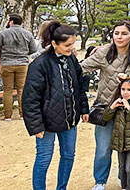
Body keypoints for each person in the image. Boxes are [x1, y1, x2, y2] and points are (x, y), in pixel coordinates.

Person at [22, 21, 89, 190]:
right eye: (67, 45)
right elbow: (30, 98)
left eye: (73, 44)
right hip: (46, 122)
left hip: (69, 118)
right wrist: (35, 125)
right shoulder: (39, 64)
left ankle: (62, 188)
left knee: (68, 156)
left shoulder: (71, 58)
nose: (71, 48)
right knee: (44, 158)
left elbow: (80, 85)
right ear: (54, 43)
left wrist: (84, 108)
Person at [81, 20, 130, 190]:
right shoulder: (103, 52)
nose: (119, 36)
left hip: (127, 110)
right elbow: (82, 68)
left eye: (124, 33)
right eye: (116, 33)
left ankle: (122, 178)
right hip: (106, 107)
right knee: (103, 149)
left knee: (124, 146)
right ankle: (100, 181)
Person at [103, 74, 130, 190]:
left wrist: (129, 108)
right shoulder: (118, 103)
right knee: (122, 167)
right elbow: (105, 117)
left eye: (129, 90)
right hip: (120, 141)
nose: (125, 92)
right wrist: (112, 107)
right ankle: (124, 187)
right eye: (123, 89)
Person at [0, 14, 38, 120]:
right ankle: (22, 114)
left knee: (7, 90)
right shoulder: (28, 34)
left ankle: (7, 115)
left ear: (11, 22)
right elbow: (34, 49)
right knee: (21, 89)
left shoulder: (3, 34)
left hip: (7, 63)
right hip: (22, 64)